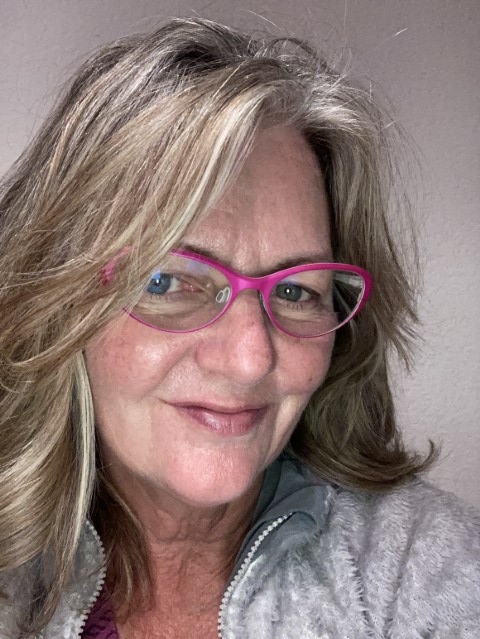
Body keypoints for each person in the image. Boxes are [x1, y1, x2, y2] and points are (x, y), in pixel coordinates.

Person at [0, 16, 479, 639]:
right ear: (60, 302)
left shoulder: (423, 571)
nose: (251, 359)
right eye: (168, 282)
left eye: (295, 291)